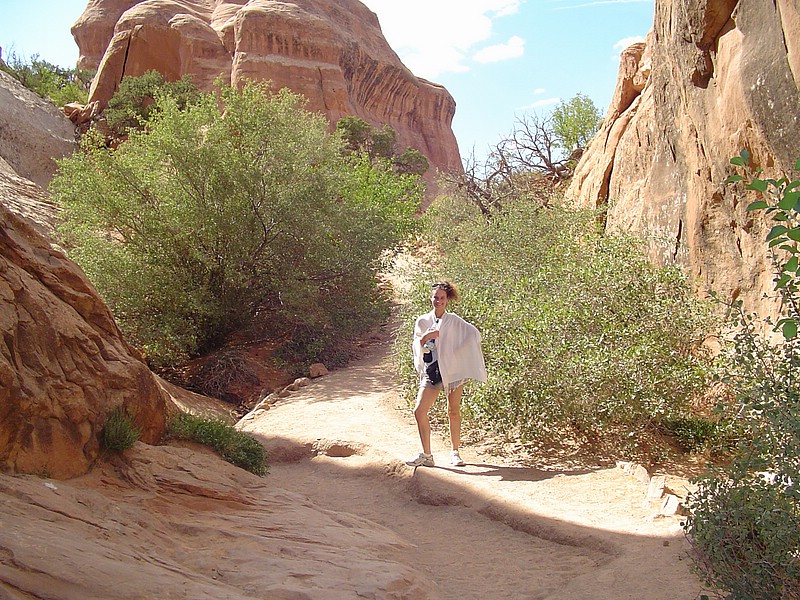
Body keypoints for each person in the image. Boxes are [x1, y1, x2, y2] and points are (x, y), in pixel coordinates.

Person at [405, 280, 486, 468]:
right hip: (433, 371)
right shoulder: (423, 321)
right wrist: (427, 337)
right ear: (430, 298)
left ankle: (455, 452)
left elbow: (473, 335)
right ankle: (427, 455)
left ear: (447, 299)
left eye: (442, 298)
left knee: (453, 411)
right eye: (435, 297)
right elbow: (419, 347)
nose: (438, 301)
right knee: (419, 411)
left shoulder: (454, 321)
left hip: (453, 370)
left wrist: (455, 353)